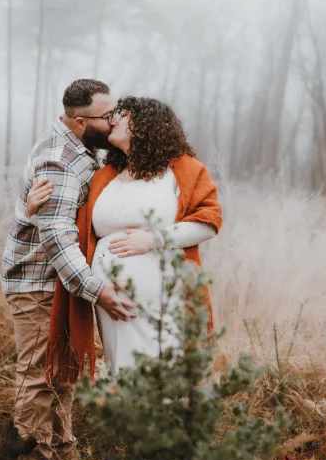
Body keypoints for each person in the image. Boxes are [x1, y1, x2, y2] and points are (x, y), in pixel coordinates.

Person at [26, 96, 222, 381]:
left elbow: (209, 222)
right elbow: (75, 226)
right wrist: (35, 214)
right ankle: (128, 425)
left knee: (161, 369)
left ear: (146, 125)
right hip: (109, 297)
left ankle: (166, 423)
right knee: (122, 369)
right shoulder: (105, 175)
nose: (113, 120)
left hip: (162, 293)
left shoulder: (182, 169)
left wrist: (153, 239)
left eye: (123, 115)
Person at [0, 78, 136, 460]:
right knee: (41, 375)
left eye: (114, 113)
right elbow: (57, 237)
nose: (113, 122)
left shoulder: (85, 149)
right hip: (38, 283)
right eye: (106, 116)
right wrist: (99, 290)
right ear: (79, 121)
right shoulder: (59, 159)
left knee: (64, 372)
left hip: (63, 282)